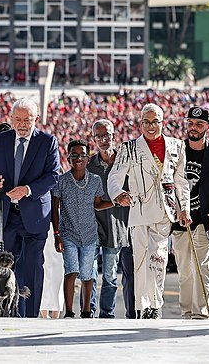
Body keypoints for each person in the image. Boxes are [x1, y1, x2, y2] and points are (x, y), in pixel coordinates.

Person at [108, 103, 191, 319]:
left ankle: (155, 305)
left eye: (155, 122)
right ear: (141, 123)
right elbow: (115, 176)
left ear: (163, 122)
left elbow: (181, 182)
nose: (151, 126)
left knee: (159, 259)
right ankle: (144, 307)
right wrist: (118, 194)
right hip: (139, 211)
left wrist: (185, 209)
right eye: (147, 122)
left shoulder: (177, 146)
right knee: (141, 261)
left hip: (165, 212)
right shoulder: (129, 148)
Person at [0, 98, 60, 318]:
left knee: (32, 269)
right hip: (7, 215)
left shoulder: (47, 141)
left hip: (34, 216)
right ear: (11, 119)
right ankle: (6, 314)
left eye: (27, 120)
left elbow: (53, 175)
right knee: (5, 268)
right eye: (18, 120)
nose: (22, 124)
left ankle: (30, 317)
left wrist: (27, 189)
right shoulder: (2, 140)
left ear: (36, 119)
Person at [172, 106, 209, 319]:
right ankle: (187, 314)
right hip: (180, 221)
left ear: (208, 126)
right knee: (185, 273)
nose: (193, 128)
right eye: (190, 123)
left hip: (204, 222)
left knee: (202, 270)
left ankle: (201, 315)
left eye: (199, 124)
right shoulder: (176, 150)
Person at [52, 139, 113, 318]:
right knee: (71, 271)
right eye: (74, 155)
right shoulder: (61, 181)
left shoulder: (95, 181)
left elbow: (98, 204)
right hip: (68, 233)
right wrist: (57, 234)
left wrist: (115, 202)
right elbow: (55, 209)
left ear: (88, 158)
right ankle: (69, 312)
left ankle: (86, 311)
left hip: (89, 234)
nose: (78, 158)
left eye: (82, 155)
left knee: (87, 275)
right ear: (68, 158)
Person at [87, 119, 135, 318]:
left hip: (117, 225)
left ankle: (107, 315)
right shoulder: (89, 164)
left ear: (114, 135)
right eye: (99, 136)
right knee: (88, 274)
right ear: (94, 139)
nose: (104, 139)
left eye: (107, 135)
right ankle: (87, 312)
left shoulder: (126, 162)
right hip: (92, 226)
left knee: (110, 275)